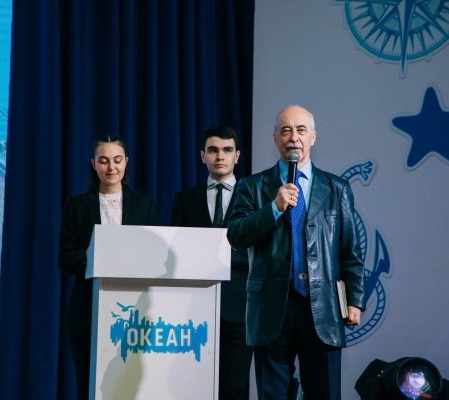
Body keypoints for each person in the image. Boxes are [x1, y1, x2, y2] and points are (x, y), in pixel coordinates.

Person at [226, 105, 366, 400]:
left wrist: (354, 299)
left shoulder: (337, 188)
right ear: (275, 138)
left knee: (325, 392)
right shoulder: (252, 186)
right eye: (286, 130)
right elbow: (236, 236)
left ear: (313, 137)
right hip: (271, 308)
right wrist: (274, 208)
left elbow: (350, 250)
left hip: (322, 306)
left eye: (301, 130)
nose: (294, 138)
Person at [58, 135, 160, 400]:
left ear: (126, 162)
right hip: (87, 311)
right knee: (88, 387)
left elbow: (156, 256)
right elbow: (64, 259)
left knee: (130, 389)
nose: (111, 167)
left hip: (134, 312)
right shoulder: (76, 205)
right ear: (94, 164)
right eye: (103, 161)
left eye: (117, 160)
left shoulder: (145, 204)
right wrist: (88, 255)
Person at [170, 126, 253, 399]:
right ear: (202, 156)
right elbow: (175, 252)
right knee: (193, 386)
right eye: (213, 150)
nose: (220, 156)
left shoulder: (253, 196)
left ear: (237, 156)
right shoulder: (184, 199)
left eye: (227, 150)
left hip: (239, 305)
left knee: (235, 387)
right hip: (193, 306)